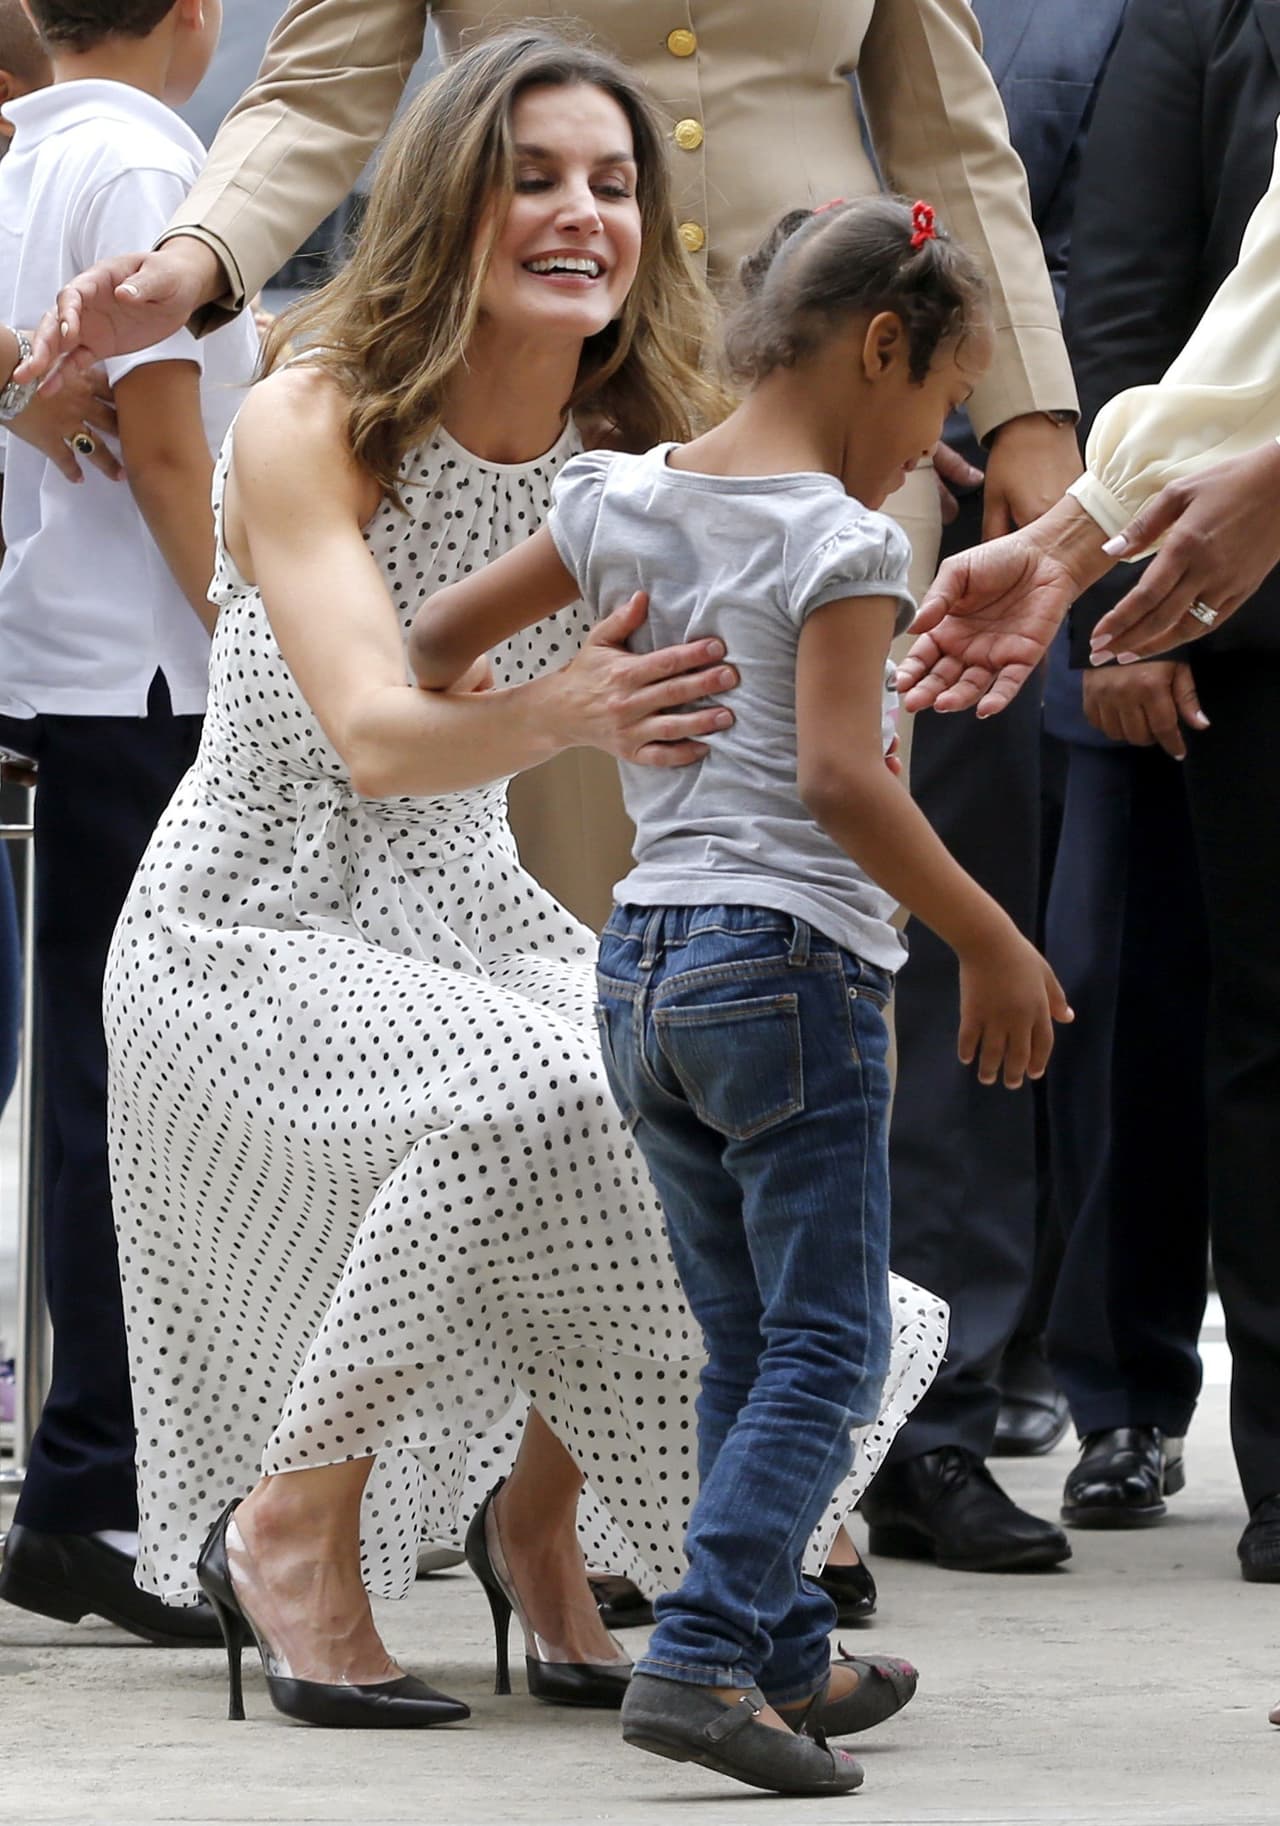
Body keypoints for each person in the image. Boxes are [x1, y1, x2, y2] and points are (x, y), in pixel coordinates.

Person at [103, 30, 947, 1732]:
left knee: (666, 1109)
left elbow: (808, 655)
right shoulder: (306, 410)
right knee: (537, 1091)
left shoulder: (640, 443)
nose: (586, 215)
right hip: (252, 917)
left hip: (469, 912)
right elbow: (372, 731)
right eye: (537, 179)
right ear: (447, 209)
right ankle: (293, 1520)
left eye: (617, 186)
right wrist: (566, 706)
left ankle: (550, 1537)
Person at [409, 193, 1070, 1797]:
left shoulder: (616, 498)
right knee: (828, 1347)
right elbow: (847, 781)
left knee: (745, 1336)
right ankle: (704, 1649)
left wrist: (578, 707)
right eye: (934, 407)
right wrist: (991, 937)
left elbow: (430, 641)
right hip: (791, 979)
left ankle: (781, 1644)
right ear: (879, 347)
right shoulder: (841, 544)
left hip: (639, 972)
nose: (931, 449)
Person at [22, 0, 1080, 929]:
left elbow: (948, 130)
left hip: (840, 425)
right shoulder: (347, 435)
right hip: (537, 412)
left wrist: (1028, 413)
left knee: (821, 903)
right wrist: (195, 255)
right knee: (570, 891)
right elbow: (319, 87)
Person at [0, 0, 259, 1648]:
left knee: (95, 1092)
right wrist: (259, 651)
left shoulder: (24, 150)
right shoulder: (159, 162)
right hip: (146, 679)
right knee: (143, 1106)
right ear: (195, 19)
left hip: (53, 656)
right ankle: (99, 1490)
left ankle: (90, 1481)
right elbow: (171, 451)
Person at [865, 0, 1126, 1576]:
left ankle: (935, 1417)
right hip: (619, 444)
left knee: (948, 983)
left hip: (921, 497)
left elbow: (959, 150)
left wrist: (1036, 424)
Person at [1043, 0, 1280, 1577]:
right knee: (1252, 1034)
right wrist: (1109, 597)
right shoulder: (1199, 18)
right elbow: (1154, 311)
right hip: (1240, 609)